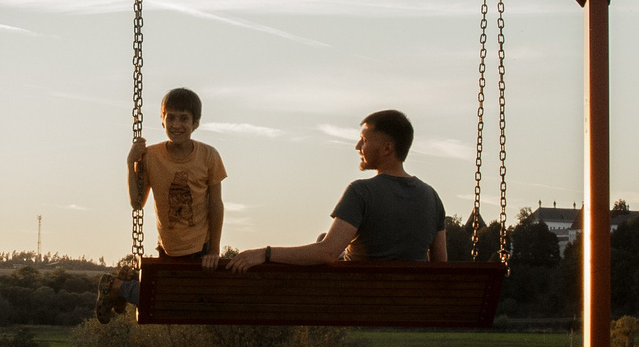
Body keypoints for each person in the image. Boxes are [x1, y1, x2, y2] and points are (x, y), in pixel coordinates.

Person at [226, 109, 449, 269]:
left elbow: (327, 252)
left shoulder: (361, 192)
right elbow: (441, 264)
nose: (358, 147)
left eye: (364, 140)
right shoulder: (432, 197)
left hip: (360, 300)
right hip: (411, 302)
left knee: (324, 241)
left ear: (387, 148)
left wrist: (265, 253)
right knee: (327, 237)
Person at [125, 87, 226, 269]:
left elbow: (216, 205)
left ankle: (121, 288)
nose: (176, 125)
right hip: (167, 248)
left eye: (183, 118)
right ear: (162, 121)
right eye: (170, 117)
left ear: (195, 123)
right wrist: (131, 164)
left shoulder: (209, 155)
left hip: (201, 247)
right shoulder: (151, 156)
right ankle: (121, 288)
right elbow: (137, 202)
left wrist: (214, 250)